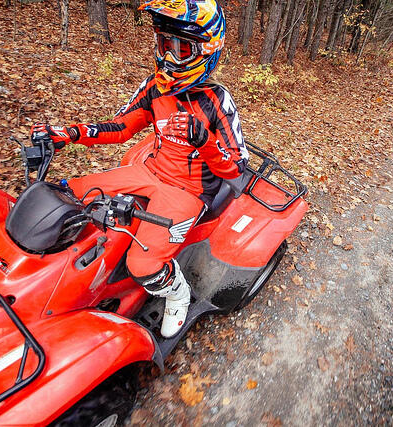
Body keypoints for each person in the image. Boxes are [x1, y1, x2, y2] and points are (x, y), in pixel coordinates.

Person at [31, 0, 248, 339]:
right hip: (149, 171)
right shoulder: (156, 86)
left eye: (181, 49)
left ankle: (177, 292)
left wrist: (202, 138)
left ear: (206, 51)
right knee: (67, 192)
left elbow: (235, 166)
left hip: (187, 192)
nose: (170, 57)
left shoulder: (216, 100)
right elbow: (120, 127)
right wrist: (70, 133)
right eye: (164, 44)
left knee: (142, 265)